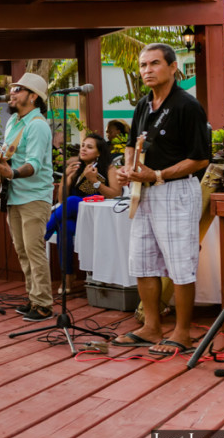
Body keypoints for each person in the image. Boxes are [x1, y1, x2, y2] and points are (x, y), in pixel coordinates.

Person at [112, 44, 210, 357]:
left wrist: (155, 175)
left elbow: (200, 159)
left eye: (154, 63)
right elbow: (131, 145)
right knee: (141, 261)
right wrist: (129, 169)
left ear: (172, 67)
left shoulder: (187, 106)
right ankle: (151, 326)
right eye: (143, 65)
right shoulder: (143, 104)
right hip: (144, 192)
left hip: (176, 190)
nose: (147, 70)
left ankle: (182, 333)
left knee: (181, 265)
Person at [0, 73, 54, 322]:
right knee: (23, 251)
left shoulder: (37, 125)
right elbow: (7, 158)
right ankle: (34, 297)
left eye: (18, 89)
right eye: (12, 88)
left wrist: (12, 173)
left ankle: (44, 304)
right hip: (15, 195)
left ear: (33, 96)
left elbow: (34, 165)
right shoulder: (13, 123)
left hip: (34, 197)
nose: (12, 92)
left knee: (34, 250)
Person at [45, 132, 121, 294]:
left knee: (73, 200)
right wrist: (66, 178)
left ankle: (41, 235)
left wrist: (94, 182)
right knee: (64, 226)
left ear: (99, 152)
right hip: (77, 218)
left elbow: (115, 193)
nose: (83, 149)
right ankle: (68, 277)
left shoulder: (108, 168)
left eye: (89, 147)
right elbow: (61, 200)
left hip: (97, 219)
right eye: (83, 146)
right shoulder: (77, 167)